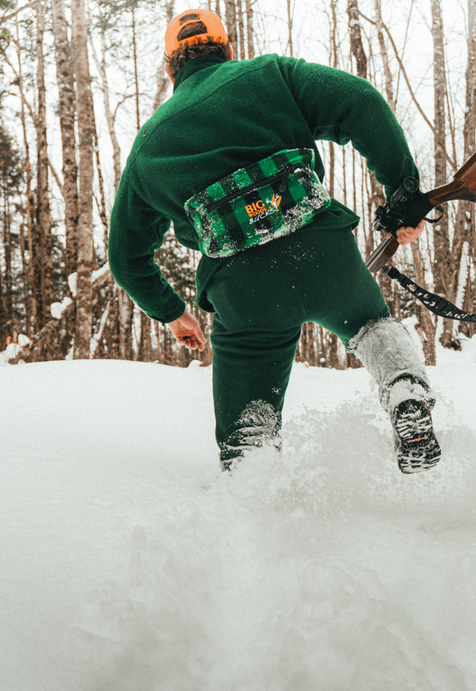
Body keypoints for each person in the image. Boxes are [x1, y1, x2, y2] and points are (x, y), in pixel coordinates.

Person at [108, 8, 441, 474]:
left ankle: (256, 494)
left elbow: (125, 257)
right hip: (326, 255)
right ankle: (405, 389)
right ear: (228, 50)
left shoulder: (149, 145)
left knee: (249, 438)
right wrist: (402, 190)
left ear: (170, 69)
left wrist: (173, 312)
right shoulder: (271, 75)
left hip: (243, 291)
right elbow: (360, 101)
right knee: (371, 327)